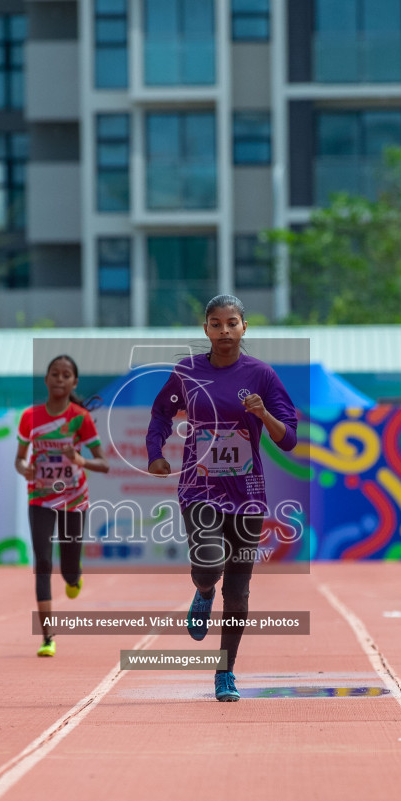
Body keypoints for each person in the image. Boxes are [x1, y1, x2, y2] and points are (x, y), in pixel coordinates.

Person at [147, 294, 299, 702]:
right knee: (209, 559)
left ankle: (225, 672)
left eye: (232, 323)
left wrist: (263, 414)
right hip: (199, 486)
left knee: (239, 591)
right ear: (206, 329)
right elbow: (161, 413)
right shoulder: (187, 372)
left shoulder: (262, 375)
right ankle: (202, 589)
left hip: (247, 494)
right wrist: (156, 453)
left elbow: (290, 438)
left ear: (244, 327)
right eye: (216, 324)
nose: (224, 331)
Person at [16, 355, 108, 657]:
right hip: (40, 497)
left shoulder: (81, 417)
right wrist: (24, 468)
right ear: (46, 379)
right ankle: (47, 636)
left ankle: (74, 575)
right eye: (54, 374)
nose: (59, 379)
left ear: (74, 382)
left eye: (66, 375)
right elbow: (19, 458)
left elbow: (104, 463)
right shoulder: (30, 416)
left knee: (68, 570)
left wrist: (81, 460)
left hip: (73, 499)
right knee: (42, 562)